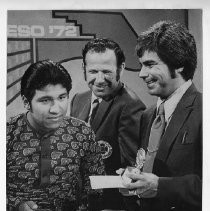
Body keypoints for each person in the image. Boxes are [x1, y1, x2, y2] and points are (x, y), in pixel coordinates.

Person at [118, 21, 202, 211]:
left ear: (179, 64)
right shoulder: (148, 115)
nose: (141, 73)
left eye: (150, 65)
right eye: (141, 65)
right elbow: (148, 168)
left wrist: (161, 186)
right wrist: (133, 176)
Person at [7, 60, 105, 211]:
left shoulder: (82, 132)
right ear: (27, 102)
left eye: (61, 97)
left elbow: (96, 185)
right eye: (45, 100)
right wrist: (16, 205)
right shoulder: (8, 133)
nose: (56, 109)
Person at [70, 38, 146, 210]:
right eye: (93, 71)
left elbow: (132, 170)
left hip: (110, 205)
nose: (99, 79)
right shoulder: (78, 99)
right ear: (84, 69)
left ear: (121, 69)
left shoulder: (130, 105)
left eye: (106, 71)